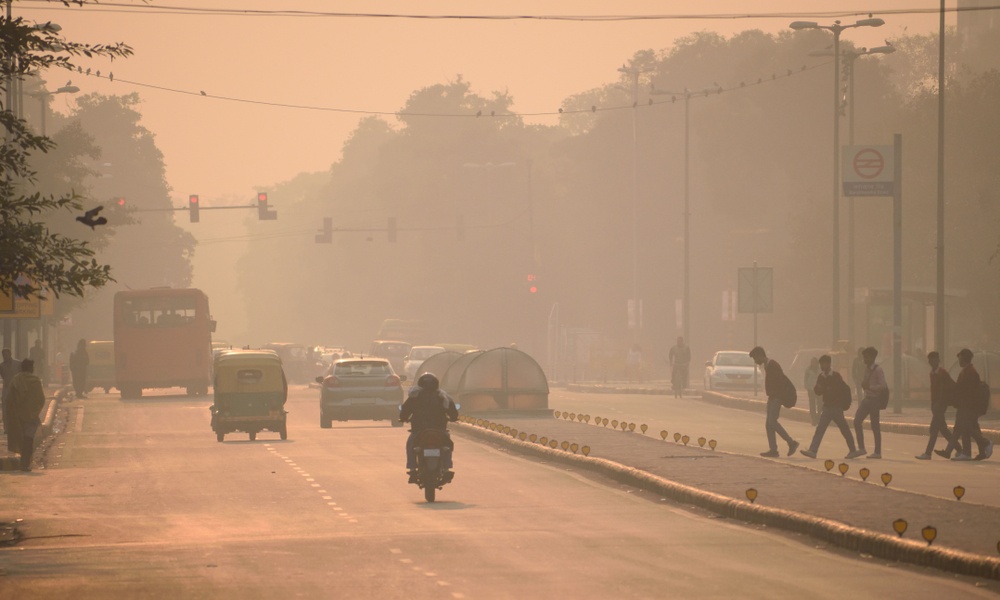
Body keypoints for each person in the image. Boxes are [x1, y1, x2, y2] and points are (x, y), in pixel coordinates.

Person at [800, 355, 865, 459]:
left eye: (824, 364)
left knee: (844, 429)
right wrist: (818, 388)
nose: (822, 366)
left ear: (829, 364)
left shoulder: (836, 376)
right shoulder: (821, 377)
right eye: (821, 364)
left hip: (836, 408)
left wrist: (843, 403)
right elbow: (818, 391)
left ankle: (853, 450)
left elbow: (840, 389)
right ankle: (813, 450)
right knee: (820, 429)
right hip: (826, 407)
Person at [399, 373, 459, 483]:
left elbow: (405, 410)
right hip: (439, 429)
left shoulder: (414, 396)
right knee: (447, 445)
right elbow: (453, 412)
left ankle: (412, 469)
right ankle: (446, 468)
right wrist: (453, 418)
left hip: (419, 430)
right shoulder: (442, 396)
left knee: (410, 444)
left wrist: (403, 418)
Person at [941, 348, 993, 461]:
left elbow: (968, 391)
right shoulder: (966, 371)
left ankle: (985, 443)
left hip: (968, 405)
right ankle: (966, 453)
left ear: (964, 358)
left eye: (960, 357)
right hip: (964, 405)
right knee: (964, 427)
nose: (959, 360)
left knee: (966, 427)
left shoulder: (970, 372)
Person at [749, 346, 799, 458]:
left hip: (776, 397)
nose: (755, 362)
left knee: (772, 422)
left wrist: (777, 397)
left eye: (755, 358)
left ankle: (791, 442)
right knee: (768, 424)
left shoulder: (773, 365)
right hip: (772, 397)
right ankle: (773, 450)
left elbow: (780, 382)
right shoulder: (768, 365)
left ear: (760, 355)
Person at [915, 351, 958, 460]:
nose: (932, 361)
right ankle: (959, 448)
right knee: (943, 429)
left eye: (934, 359)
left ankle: (928, 453)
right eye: (930, 360)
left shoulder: (942, 372)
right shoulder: (932, 373)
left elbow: (949, 387)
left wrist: (943, 402)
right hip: (935, 404)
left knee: (934, 429)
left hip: (941, 404)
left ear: (938, 360)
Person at [8, 359, 46, 471]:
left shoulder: (15, 380)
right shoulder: (35, 381)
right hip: (31, 416)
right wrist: (35, 412)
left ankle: (23, 462)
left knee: (20, 439)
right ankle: (25, 463)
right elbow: (41, 399)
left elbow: (10, 400)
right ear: (31, 368)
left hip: (17, 415)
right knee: (28, 439)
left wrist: (13, 413)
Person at [854, 346, 887, 459]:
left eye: (867, 357)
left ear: (873, 357)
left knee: (875, 426)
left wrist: (870, 387)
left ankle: (877, 452)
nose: (865, 359)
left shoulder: (878, 370)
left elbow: (882, 386)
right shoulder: (866, 369)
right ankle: (862, 448)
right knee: (857, 421)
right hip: (866, 399)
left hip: (874, 400)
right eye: (864, 357)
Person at [1, 348, 19, 448]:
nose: (5, 357)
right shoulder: (2, 366)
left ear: (10, 354)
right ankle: (7, 427)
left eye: (6, 355)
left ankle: (15, 426)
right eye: (3, 355)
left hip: (16, 388)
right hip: (6, 389)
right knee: (5, 409)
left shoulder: (17, 364)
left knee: (16, 408)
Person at [804, 357, 820, 425]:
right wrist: (807, 386)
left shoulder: (820, 370)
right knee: (812, 404)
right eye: (812, 362)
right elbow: (805, 379)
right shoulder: (808, 370)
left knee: (820, 404)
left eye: (814, 362)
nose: (813, 364)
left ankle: (818, 418)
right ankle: (814, 419)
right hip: (811, 389)